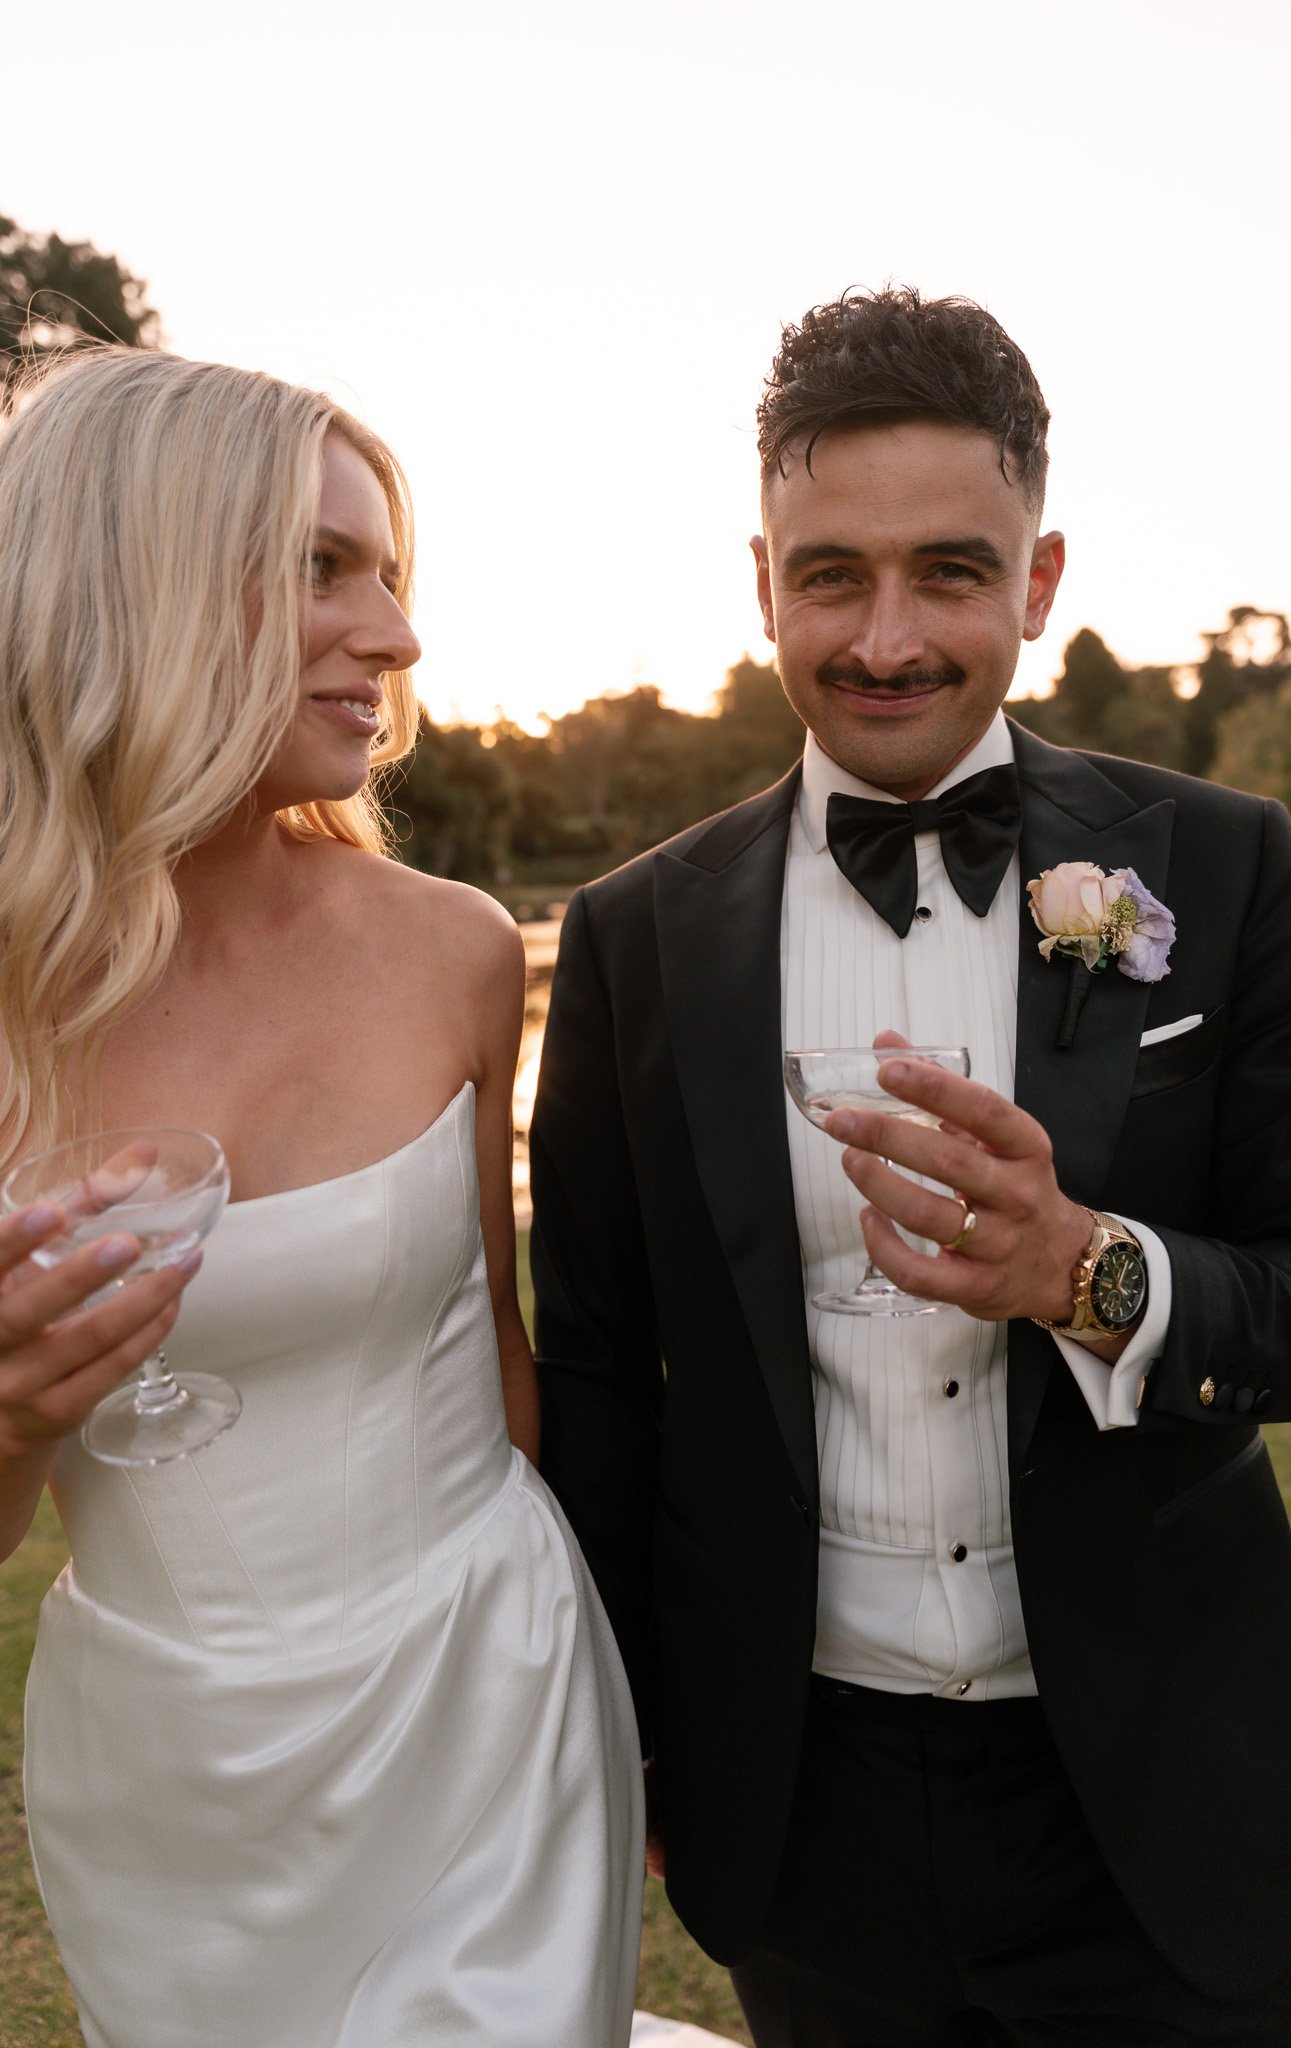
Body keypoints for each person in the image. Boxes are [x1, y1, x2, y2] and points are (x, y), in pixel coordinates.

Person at [531, 287, 1291, 2045]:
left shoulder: (1221, 870)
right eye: (830, 572)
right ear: (758, 577)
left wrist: (1090, 1273)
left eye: (950, 573)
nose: (887, 637)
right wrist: (631, 1741)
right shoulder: (629, 941)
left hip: (1153, 1793)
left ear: (1040, 578)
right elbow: (605, 1383)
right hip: (803, 1804)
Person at [0, 347, 642, 2048]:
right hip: (170, 1776)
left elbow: (500, 1365)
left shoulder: (450, 951)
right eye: (320, 568)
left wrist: (634, 1700)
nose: (399, 637)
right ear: (130, 583)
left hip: (479, 1704)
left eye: (393, 575)